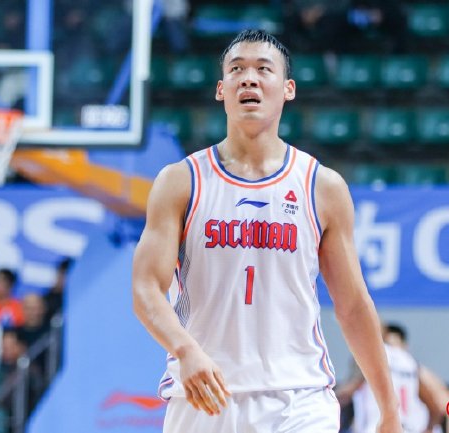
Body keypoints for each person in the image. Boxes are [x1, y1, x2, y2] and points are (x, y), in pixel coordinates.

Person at [132, 29, 401, 433]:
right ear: (221, 90)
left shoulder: (321, 186)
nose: (249, 79)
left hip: (299, 397)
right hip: (204, 395)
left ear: (288, 89)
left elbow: (352, 305)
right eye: (236, 70)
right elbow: (145, 288)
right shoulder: (181, 181)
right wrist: (184, 350)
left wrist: (389, 410)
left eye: (263, 69)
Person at [337, 324, 449, 433]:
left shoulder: (373, 361)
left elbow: (346, 393)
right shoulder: (413, 367)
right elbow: (446, 407)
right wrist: (429, 426)